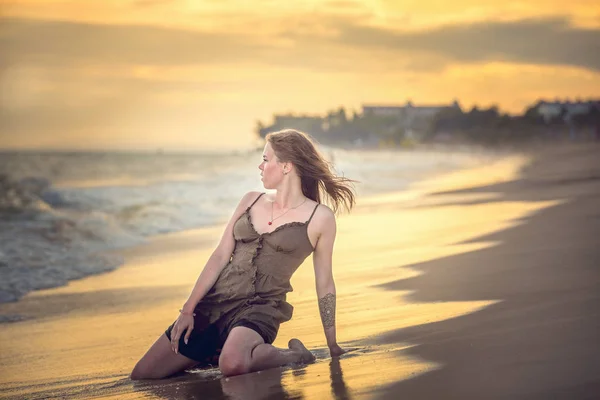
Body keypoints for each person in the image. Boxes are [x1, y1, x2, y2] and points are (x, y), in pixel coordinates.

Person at [130, 129, 356, 379]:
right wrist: (188, 310)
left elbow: (324, 282)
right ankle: (213, 351)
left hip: (260, 308)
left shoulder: (320, 217)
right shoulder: (250, 199)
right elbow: (219, 256)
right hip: (214, 302)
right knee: (144, 374)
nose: (260, 166)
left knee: (233, 364)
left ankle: (295, 355)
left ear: (286, 166)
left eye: (266, 159)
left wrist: (332, 342)